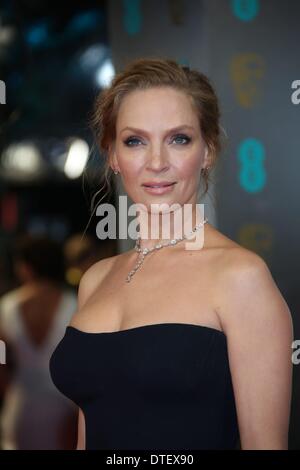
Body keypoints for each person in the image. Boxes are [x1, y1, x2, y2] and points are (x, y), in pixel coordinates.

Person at [49, 57, 293, 450]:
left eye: (179, 138)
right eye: (135, 141)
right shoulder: (96, 279)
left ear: (208, 150)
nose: (158, 162)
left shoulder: (240, 276)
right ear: (112, 155)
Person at [0, 234, 78, 449]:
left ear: (26, 266)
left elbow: (0, 363)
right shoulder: (75, 305)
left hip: (20, 407)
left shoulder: (6, 307)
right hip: (66, 411)